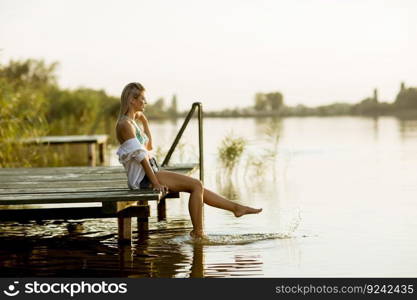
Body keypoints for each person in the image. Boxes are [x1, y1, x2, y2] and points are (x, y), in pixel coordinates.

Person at [115, 82, 262, 239]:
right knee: (196, 185)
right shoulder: (124, 124)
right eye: (143, 99)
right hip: (143, 178)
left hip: (150, 172)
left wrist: (144, 122)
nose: (146, 102)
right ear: (132, 100)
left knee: (198, 187)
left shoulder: (132, 123)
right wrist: (156, 183)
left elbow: (148, 147)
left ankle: (236, 208)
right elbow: (141, 157)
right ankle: (198, 232)